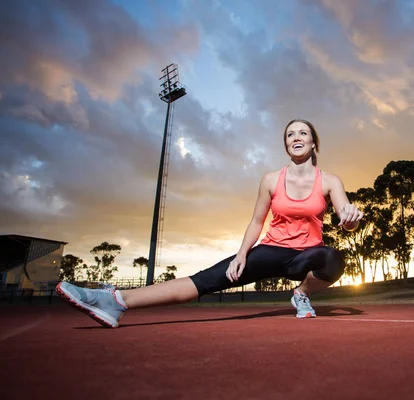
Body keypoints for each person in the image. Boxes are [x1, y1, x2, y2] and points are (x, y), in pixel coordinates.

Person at [57, 119, 364, 328]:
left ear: (314, 142)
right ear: (286, 144)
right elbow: (257, 221)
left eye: (302, 133)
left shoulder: (330, 181)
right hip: (270, 249)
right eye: (290, 134)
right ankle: (116, 302)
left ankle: (301, 293)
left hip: (306, 256)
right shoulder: (271, 180)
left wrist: (350, 218)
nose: (296, 138)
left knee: (333, 258)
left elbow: (345, 218)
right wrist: (242, 254)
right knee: (205, 280)